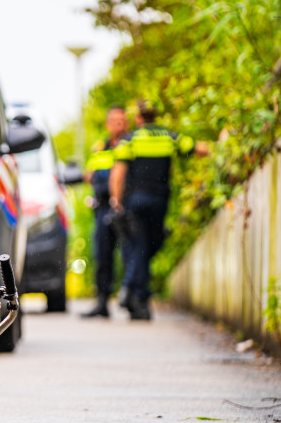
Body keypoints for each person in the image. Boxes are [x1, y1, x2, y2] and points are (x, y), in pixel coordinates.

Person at [108, 100, 206, 321]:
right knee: (150, 245)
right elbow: (198, 148)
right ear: (155, 115)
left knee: (139, 246)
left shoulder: (129, 140)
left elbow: (118, 173)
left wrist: (116, 201)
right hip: (160, 201)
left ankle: (132, 290)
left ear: (138, 118)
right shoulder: (169, 137)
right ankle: (137, 296)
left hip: (135, 201)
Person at [80, 105, 129, 318]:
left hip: (126, 208)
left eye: (123, 121)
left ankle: (132, 299)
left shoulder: (130, 145)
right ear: (108, 124)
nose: (119, 124)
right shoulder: (100, 148)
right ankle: (102, 302)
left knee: (130, 255)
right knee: (102, 256)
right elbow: (91, 174)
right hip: (102, 209)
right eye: (115, 120)